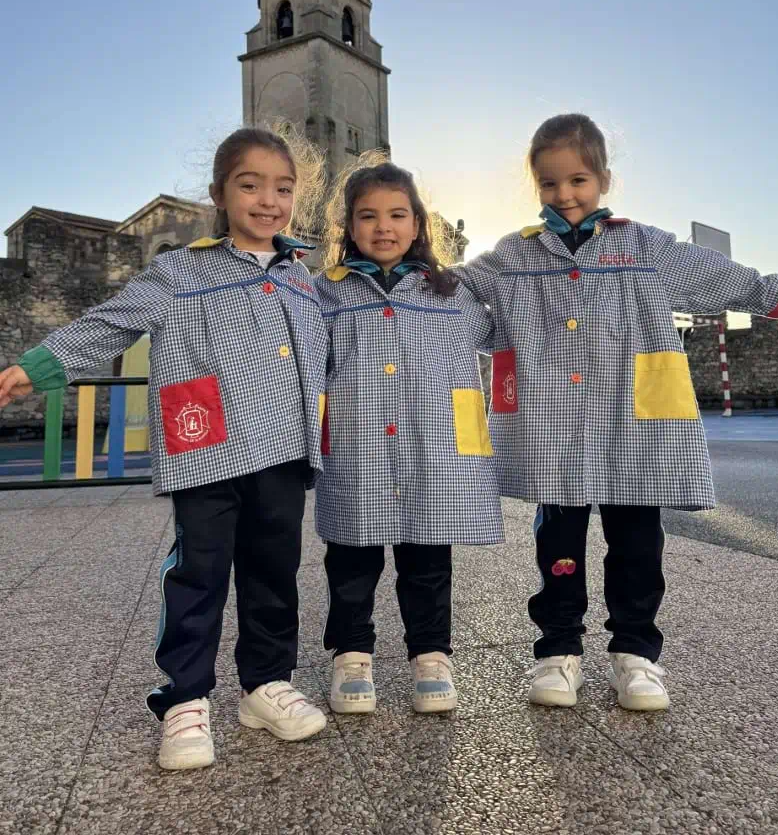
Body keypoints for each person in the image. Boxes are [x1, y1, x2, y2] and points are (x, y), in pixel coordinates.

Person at [0, 127, 331, 769]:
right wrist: (33, 369)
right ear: (220, 193)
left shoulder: (305, 278)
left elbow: (345, 353)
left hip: (284, 449)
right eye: (251, 184)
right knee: (197, 573)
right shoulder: (182, 270)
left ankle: (266, 683)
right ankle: (185, 698)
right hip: (207, 446)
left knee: (274, 572)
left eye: (283, 188)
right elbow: (111, 322)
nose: (269, 200)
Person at [458, 113, 778, 711]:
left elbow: (724, 277)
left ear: (603, 179)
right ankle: (558, 649)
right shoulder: (515, 255)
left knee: (637, 546)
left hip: (633, 429)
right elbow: (459, 292)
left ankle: (636, 653)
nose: (564, 195)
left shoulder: (645, 247)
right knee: (558, 545)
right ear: (535, 186)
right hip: (555, 428)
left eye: (578, 180)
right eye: (549, 184)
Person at [314, 160, 502, 715]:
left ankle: (431, 655)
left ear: (418, 224)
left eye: (398, 214)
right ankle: (351, 656)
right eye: (368, 216)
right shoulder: (327, 294)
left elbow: (511, 334)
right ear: (348, 226)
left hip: (431, 453)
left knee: (427, 561)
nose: (384, 227)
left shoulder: (452, 294)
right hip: (359, 448)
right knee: (351, 560)